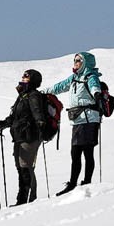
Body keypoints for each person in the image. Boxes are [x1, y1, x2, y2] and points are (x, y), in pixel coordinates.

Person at [43, 52, 103, 196]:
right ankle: (73, 183)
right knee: (75, 153)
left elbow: (95, 86)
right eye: (75, 60)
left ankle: (85, 182)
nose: (75, 63)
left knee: (87, 152)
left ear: (86, 63)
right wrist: (43, 92)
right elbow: (60, 87)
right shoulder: (75, 78)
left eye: (78, 61)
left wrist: (97, 94)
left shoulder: (90, 76)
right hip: (78, 120)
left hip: (89, 119)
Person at [0, 69, 47, 205]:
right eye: (23, 76)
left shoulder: (33, 95)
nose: (23, 78)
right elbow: (15, 116)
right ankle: (24, 199)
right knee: (21, 167)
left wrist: (40, 123)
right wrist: (5, 123)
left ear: (33, 80)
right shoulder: (22, 95)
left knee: (26, 167)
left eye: (27, 76)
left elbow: (37, 111)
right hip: (20, 135)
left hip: (30, 135)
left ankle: (27, 199)